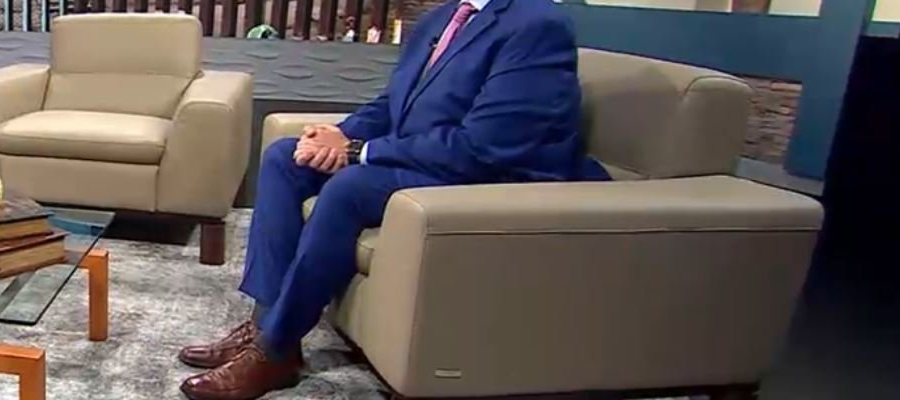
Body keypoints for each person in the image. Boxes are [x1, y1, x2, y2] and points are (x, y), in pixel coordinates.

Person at [176, 0, 610, 398]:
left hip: (492, 176)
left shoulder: (537, 24)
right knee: (284, 158)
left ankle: (276, 347)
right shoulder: (442, 18)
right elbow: (393, 106)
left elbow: (486, 146)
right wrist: (338, 134)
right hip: (430, 158)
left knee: (349, 187)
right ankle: (263, 326)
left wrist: (359, 151)